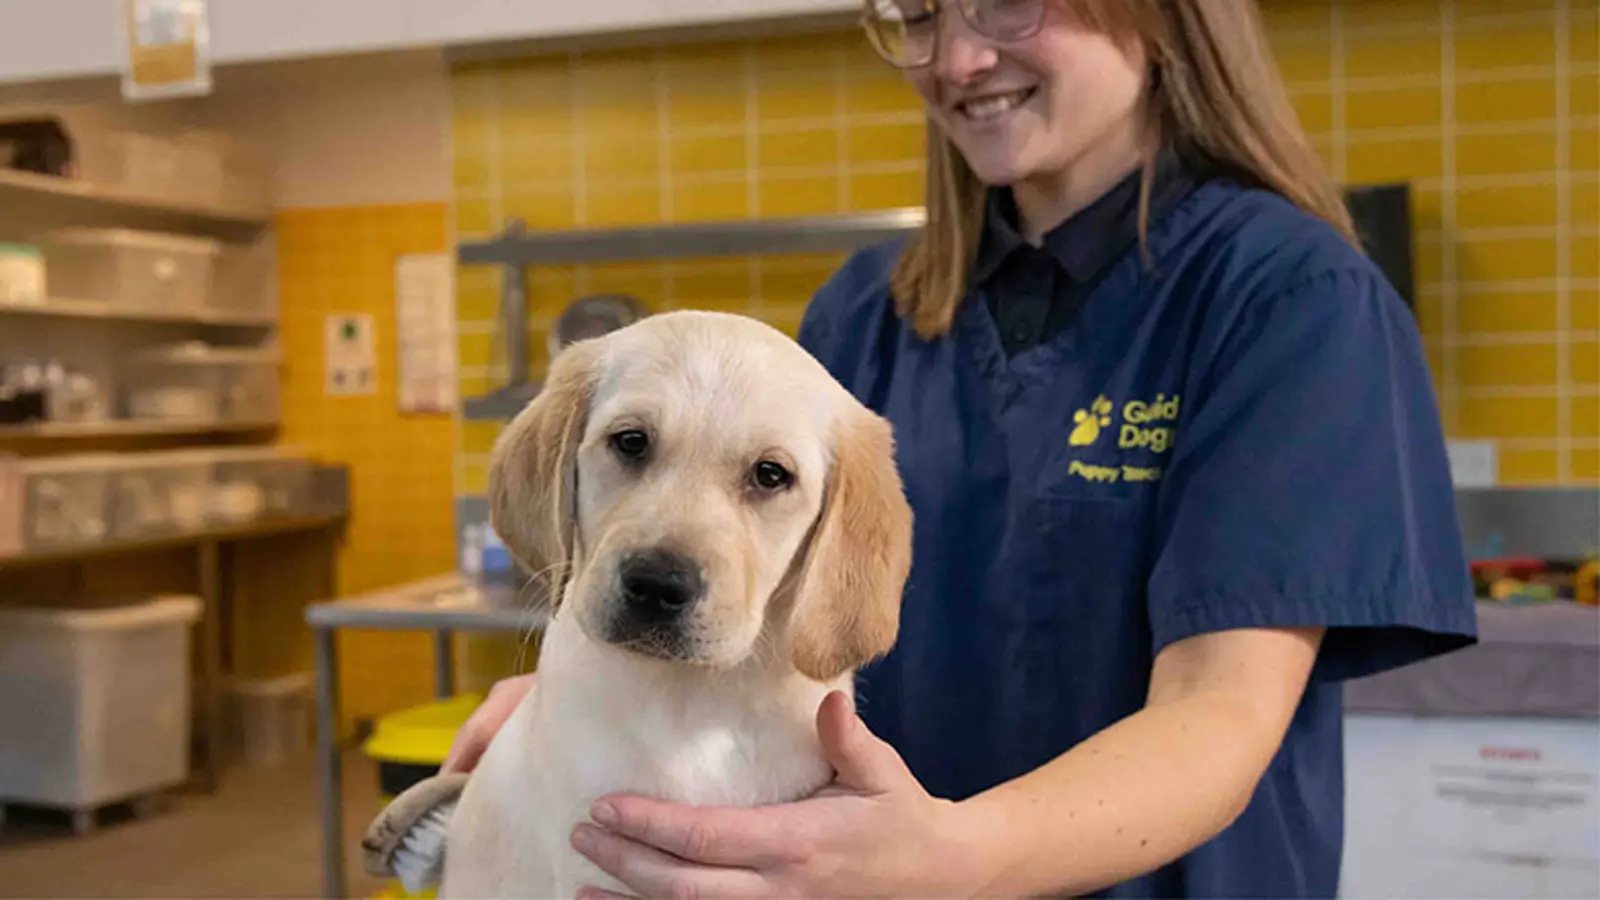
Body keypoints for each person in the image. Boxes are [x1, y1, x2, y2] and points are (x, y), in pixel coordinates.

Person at [442, 1, 1479, 896]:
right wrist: (586, 711)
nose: (956, 60)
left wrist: (943, 859)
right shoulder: (863, 313)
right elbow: (782, 631)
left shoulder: (1289, 302)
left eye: (1009, 5)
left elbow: (1218, 714)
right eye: (921, 15)